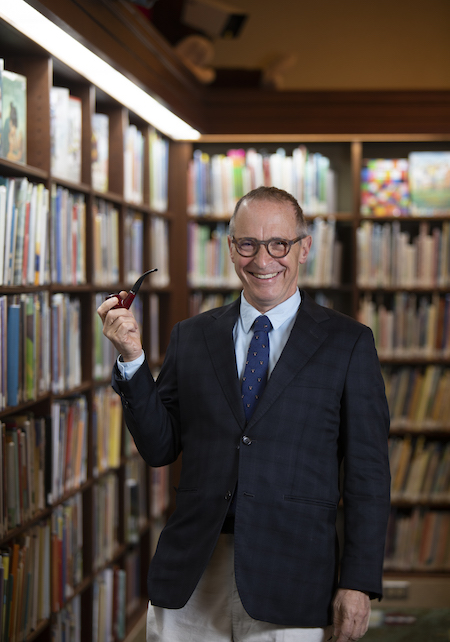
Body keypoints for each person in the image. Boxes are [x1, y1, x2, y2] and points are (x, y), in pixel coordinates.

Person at [97, 186, 391, 642]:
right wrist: (132, 359)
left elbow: (368, 476)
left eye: (279, 244)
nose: (263, 259)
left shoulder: (349, 343)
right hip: (194, 571)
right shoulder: (191, 336)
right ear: (231, 249)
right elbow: (159, 448)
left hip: (293, 575)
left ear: (304, 248)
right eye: (248, 244)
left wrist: (357, 582)